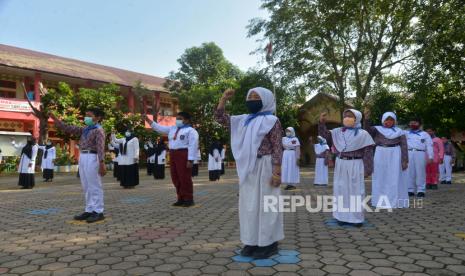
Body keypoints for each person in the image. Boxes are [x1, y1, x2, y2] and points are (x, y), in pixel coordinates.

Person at [215, 87, 284, 259]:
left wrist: (277, 172)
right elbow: (220, 119)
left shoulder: (272, 120)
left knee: (267, 204)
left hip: (267, 165)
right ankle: (251, 241)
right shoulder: (243, 120)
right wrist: (223, 99)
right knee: (249, 205)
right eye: (250, 96)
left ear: (266, 99)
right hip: (249, 168)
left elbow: (277, 146)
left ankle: (269, 243)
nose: (252, 100)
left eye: (256, 97)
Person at [319, 110, 375, 227]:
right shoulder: (338, 132)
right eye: (345, 116)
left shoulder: (363, 134)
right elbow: (323, 136)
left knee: (356, 191)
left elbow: (368, 152)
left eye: (350, 116)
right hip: (340, 164)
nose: (347, 118)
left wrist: (367, 169)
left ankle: (356, 218)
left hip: (356, 163)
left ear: (357, 119)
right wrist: (322, 123)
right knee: (341, 189)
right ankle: (341, 216)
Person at [51, 108, 106, 223]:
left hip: (92, 157)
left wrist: (102, 163)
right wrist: (54, 118)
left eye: (89, 115)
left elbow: (100, 147)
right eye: (86, 115)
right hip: (83, 156)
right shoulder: (85, 129)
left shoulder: (99, 130)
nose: (86, 117)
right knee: (86, 185)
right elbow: (68, 128)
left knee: (94, 184)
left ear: (98, 118)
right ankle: (89, 209)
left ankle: (98, 211)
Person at [144, 112, 199, 207]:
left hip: (183, 154)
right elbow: (159, 129)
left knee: (184, 177)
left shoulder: (191, 131)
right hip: (173, 154)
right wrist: (148, 120)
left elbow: (193, 145)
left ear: (186, 120)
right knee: (175, 177)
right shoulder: (173, 128)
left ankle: (188, 198)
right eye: (177, 118)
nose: (177, 120)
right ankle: (180, 198)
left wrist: (190, 160)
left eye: (180, 118)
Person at [364, 111, 409, 208]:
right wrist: (367, 119)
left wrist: (404, 161)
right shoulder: (377, 129)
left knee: (394, 177)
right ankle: (379, 201)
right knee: (380, 176)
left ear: (394, 121)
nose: (388, 122)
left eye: (391, 120)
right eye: (386, 119)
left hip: (395, 153)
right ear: (383, 120)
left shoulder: (400, 131)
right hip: (381, 153)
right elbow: (366, 131)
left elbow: (404, 146)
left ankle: (395, 201)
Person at [404, 118, 433, 197]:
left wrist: (430, 156)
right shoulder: (405, 133)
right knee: (410, 172)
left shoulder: (425, 134)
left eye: (415, 122)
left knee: (420, 172)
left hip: (420, 153)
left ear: (419, 124)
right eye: (411, 122)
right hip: (409, 153)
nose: (413, 124)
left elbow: (429, 146)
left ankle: (421, 190)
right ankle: (410, 190)